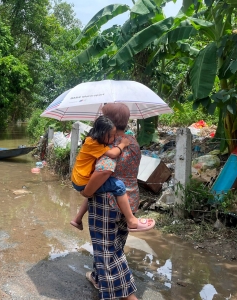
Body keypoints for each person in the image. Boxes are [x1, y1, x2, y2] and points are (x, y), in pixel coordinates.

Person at [80, 103, 154, 300]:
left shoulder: (109, 145)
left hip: (108, 203)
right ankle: (98, 277)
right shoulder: (133, 141)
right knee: (116, 244)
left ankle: (129, 296)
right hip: (131, 199)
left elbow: (103, 170)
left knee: (107, 250)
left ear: (108, 123)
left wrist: (87, 192)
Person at [70, 115, 141, 232]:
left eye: (114, 135)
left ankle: (77, 218)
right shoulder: (94, 144)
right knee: (119, 186)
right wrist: (122, 144)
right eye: (111, 136)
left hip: (79, 178)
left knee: (95, 187)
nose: (113, 139)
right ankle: (131, 219)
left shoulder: (92, 140)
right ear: (102, 134)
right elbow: (113, 154)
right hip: (82, 180)